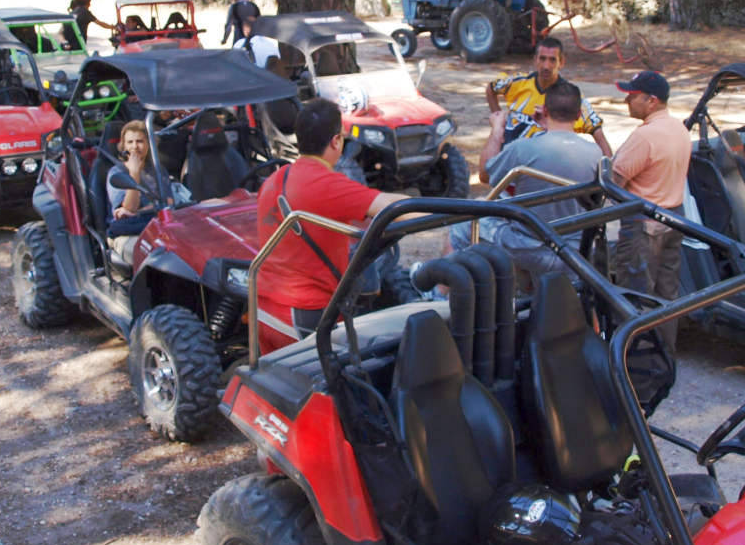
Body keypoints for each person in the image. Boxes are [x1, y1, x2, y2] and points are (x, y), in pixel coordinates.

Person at [255, 98, 410, 348]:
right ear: (336, 141)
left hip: (264, 310)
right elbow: (397, 209)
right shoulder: (327, 184)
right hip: (307, 316)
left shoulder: (274, 179)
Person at [448, 79, 603, 280]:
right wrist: (544, 125)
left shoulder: (523, 149)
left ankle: (443, 294)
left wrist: (497, 130)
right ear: (579, 115)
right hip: (574, 247)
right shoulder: (595, 153)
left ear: (545, 110)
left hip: (531, 247)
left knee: (462, 225)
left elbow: (485, 175)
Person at [609, 70, 690, 352]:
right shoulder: (679, 129)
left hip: (643, 225)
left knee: (634, 294)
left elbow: (614, 180)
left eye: (633, 97)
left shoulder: (645, 137)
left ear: (651, 101)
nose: (627, 102)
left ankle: (633, 361)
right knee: (666, 294)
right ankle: (663, 355)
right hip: (675, 218)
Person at [485, 37, 611, 156]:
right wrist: (500, 123)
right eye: (542, 59)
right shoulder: (518, 83)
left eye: (552, 60)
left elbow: (598, 133)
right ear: (535, 60)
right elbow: (491, 89)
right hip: (511, 161)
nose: (546, 66)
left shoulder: (569, 96)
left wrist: (609, 174)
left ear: (561, 62)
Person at [107, 121, 161, 260]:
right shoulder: (116, 172)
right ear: (123, 146)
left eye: (140, 141)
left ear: (149, 144)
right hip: (128, 232)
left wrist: (142, 211)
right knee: (154, 256)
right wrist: (134, 173)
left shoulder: (156, 170)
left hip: (156, 226)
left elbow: (169, 202)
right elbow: (129, 209)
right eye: (130, 142)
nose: (135, 147)